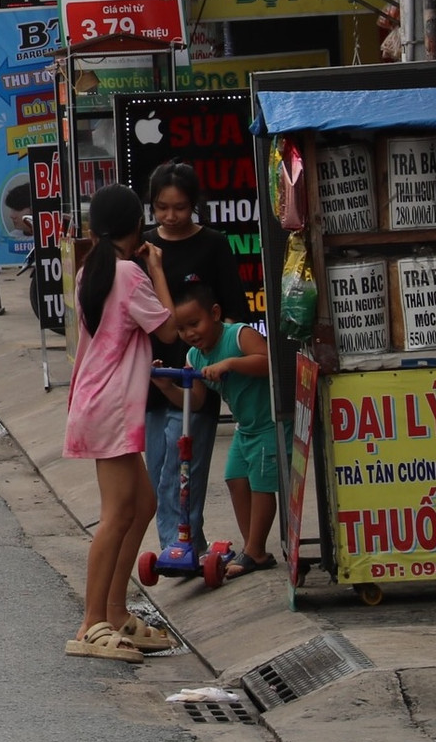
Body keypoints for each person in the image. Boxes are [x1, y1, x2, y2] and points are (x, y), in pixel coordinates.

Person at [64, 184, 179, 664]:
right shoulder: (131, 273)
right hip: (110, 406)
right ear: (136, 228)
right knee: (116, 515)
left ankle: (114, 610)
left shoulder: (92, 269)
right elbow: (169, 329)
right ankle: (92, 623)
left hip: (99, 402)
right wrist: (157, 268)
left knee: (144, 503)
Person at [143, 161, 251, 555]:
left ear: (194, 205)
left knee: (184, 467)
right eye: (161, 207)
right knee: (159, 473)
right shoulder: (144, 247)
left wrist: (218, 361)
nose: (170, 216)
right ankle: (190, 543)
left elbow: (235, 312)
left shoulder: (213, 244)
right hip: (154, 375)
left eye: (180, 207)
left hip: (197, 376)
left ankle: (177, 548)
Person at [170, 278, 277, 580]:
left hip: (269, 424)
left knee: (261, 485)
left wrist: (231, 363)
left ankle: (254, 550)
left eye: (195, 323)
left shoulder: (239, 335)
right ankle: (253, 548)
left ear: (214, 313)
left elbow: (268, 362)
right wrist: (166, 385)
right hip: (246, 428)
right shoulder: (194, 357)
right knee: (234, 478)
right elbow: (196, 400)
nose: (190, 334)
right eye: (181, 329)